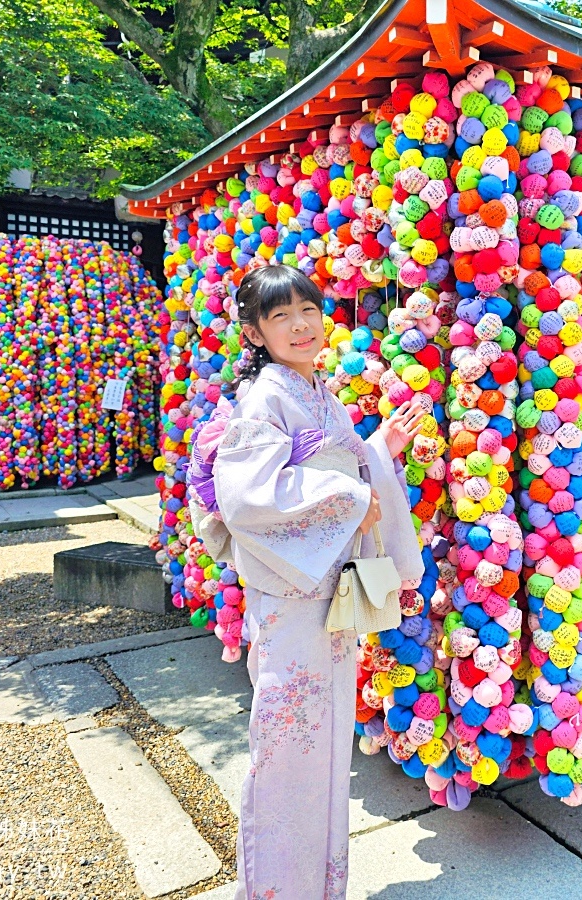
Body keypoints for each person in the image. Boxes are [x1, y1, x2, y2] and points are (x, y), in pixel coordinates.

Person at [205, 264, 426, 900]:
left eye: (308, 309)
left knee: (322, 744)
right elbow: (248, 496)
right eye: (280, 316)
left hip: (323, 594)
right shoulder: (266, 396)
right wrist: (353, 494)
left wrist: (377, 449)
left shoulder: (315, 391)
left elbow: (347, 472)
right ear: (254, 332)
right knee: (287, 747)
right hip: (290, 598)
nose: (301, 325)